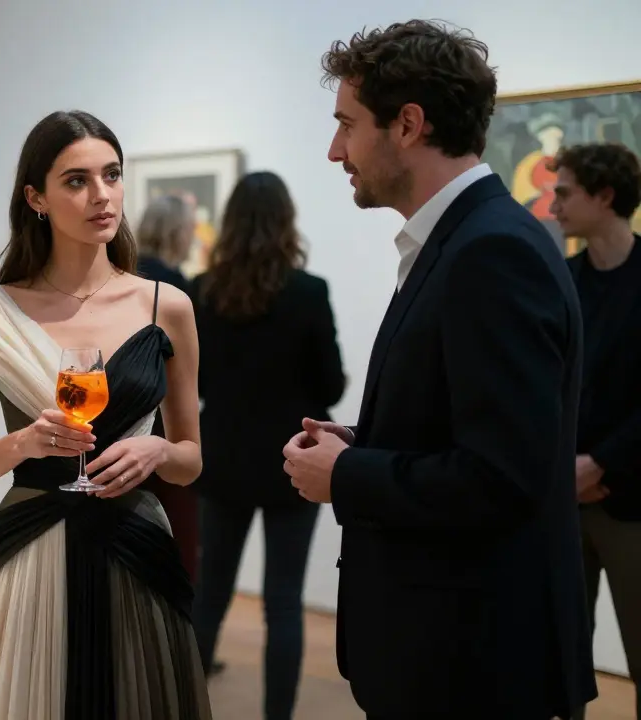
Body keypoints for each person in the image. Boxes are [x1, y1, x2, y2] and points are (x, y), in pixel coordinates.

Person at [281, 20, 597, 719]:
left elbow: (503, 476)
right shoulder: (467, 239)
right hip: (451, 652)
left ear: (409, 124)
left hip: (474, 663)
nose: (336, 150)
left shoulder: (490, 252)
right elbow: (468, 425)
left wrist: (346, 476)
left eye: (347, 124)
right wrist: (365, 440)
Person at [0, 109, 211, 719]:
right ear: (35, 197)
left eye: (112, 176)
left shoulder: (167, 307)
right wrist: (25, 444)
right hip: (31, 548)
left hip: (135, 544)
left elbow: (192, 460)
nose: (101, 196)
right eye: (76, 181)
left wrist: (159, 450)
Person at [191, 171, 346, 717]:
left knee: (209, 595)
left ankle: (185, 706)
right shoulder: (308, 292)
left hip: (224, 457)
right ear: (286, 221)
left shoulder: (202, 291)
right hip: (293, 458)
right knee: (283, 602)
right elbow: (331, 386)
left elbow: (198, 385)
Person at [548, 142, 641, 719]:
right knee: (559, 659)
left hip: (631, 499)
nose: (553, 205)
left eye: (564, 193)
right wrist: (568, 468)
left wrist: (601, 462)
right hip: (563, 496)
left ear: (605, 197)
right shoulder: (562, 278)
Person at [133, 193, 200, 582]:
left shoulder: (124, 275)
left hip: (122, 424)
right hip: (160, 427)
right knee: (172, 542)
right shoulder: (174, 289)